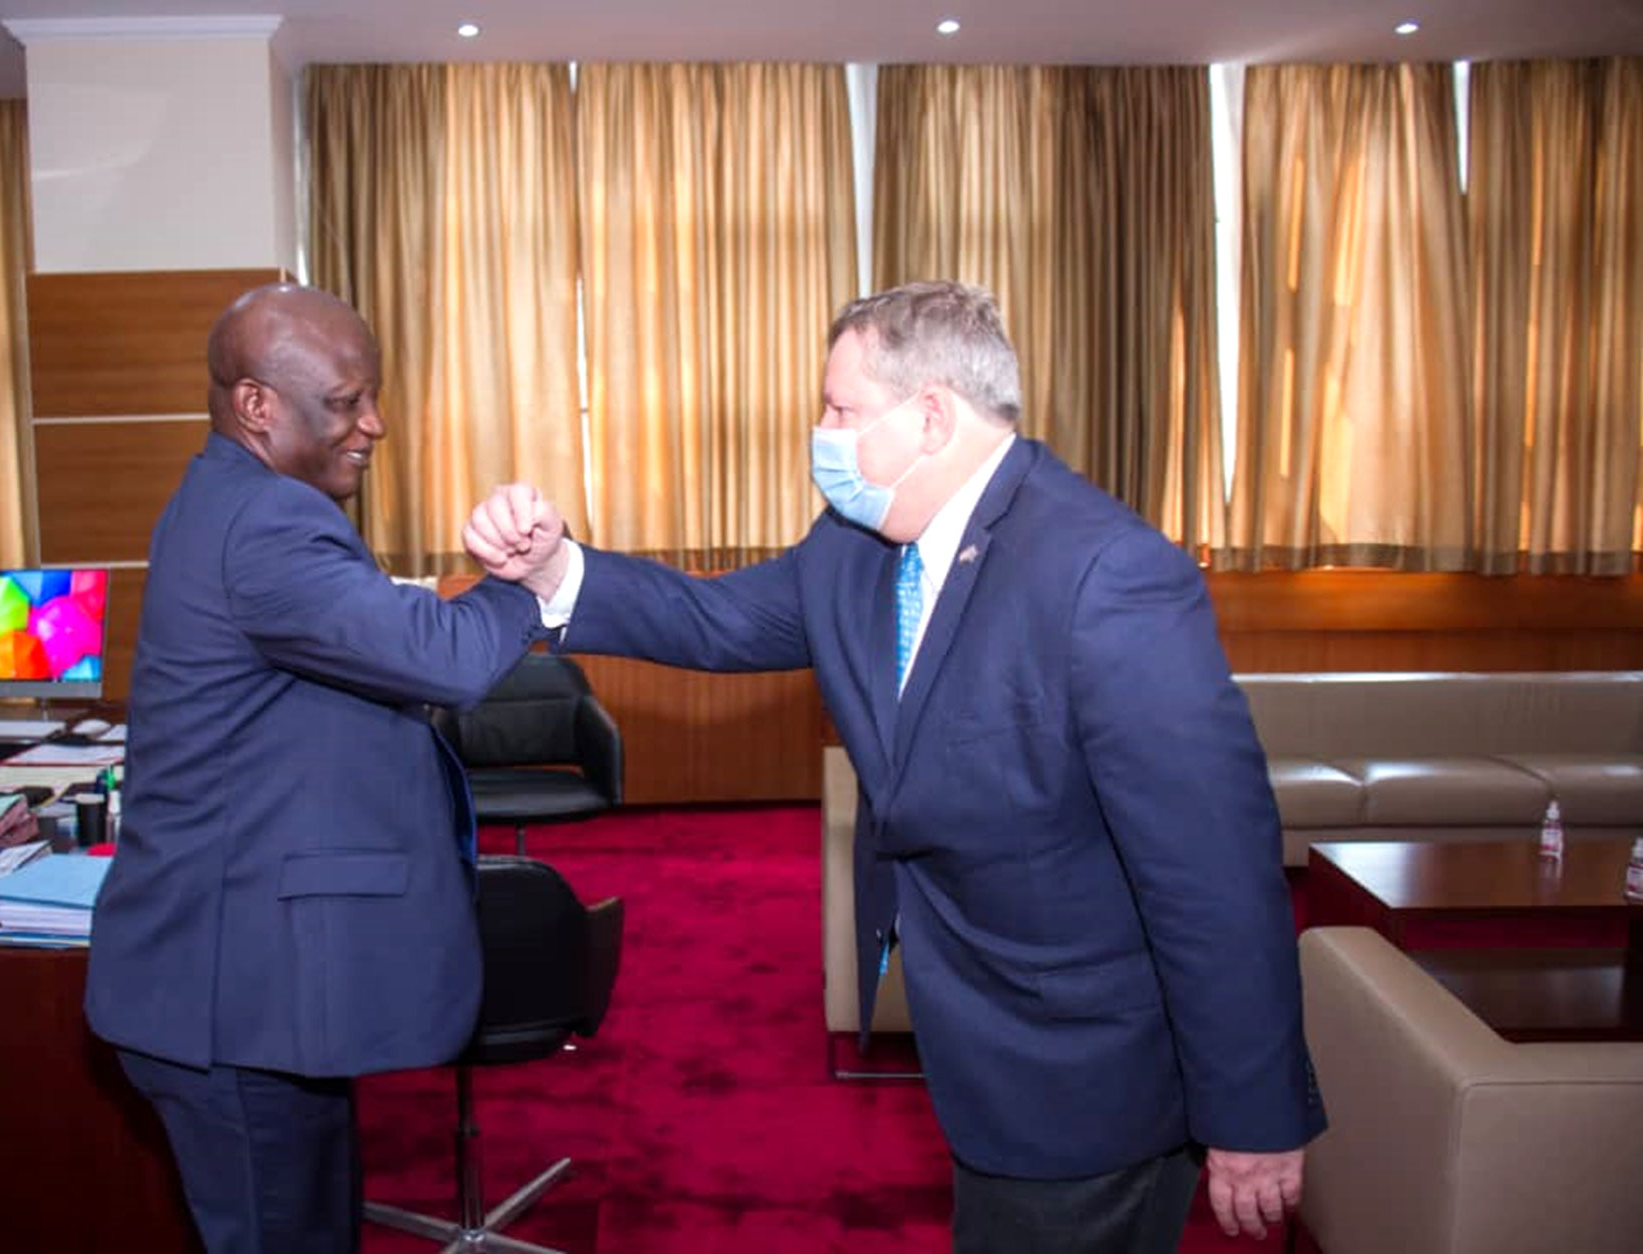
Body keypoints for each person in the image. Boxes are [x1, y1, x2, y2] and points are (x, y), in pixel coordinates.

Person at [467, 281, 1324, 1254]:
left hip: (1089, 1066)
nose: (821, 434)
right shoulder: (857, 546)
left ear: (929, 418)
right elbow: (716, 618)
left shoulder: (1106, 573)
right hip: (976, 1039)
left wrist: (1253, 1110)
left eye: (841, 410)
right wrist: (552, 571)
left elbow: (1212, 870)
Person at [85, 283, 557, 1253]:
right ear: (257, 405)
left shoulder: (228, 496)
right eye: (346, 401)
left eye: (371, 396)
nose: (373, 423)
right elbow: (446, 660)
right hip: (231, 1002)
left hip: (254, 991)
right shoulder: (267, 521)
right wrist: (531, 578)